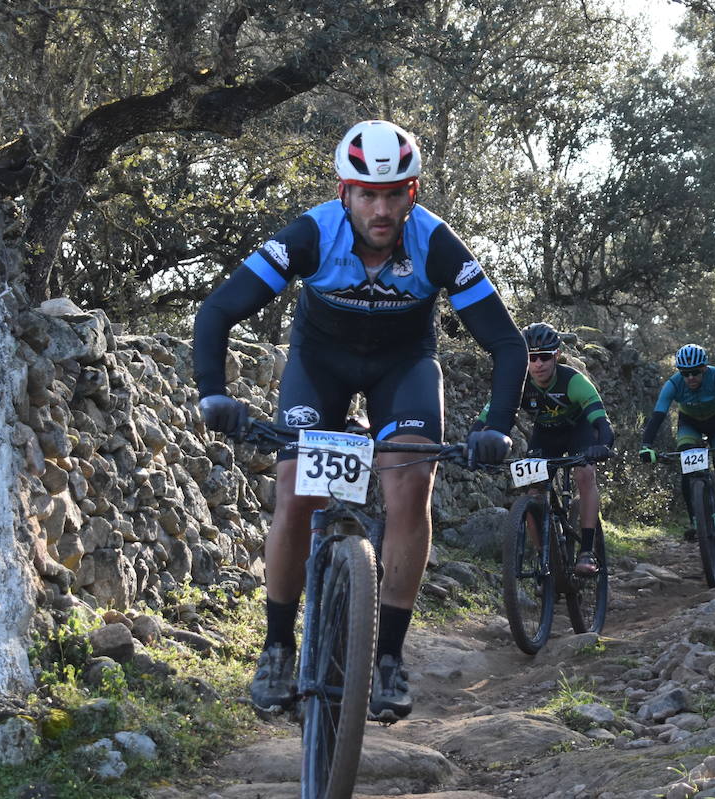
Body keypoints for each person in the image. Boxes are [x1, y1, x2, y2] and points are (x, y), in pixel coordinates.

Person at [192, 119, 525, 719]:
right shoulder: (311, 235)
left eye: (394, 193)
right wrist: (212, 392)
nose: (381, 207)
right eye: (367, 194)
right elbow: (217, 310)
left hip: (404, 370)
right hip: (320, 368)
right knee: (296, 493)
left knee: (409, 486)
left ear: (412, 193)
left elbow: (506, 343)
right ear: (344, 192)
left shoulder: (437, 243)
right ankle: (276, 647)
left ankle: (390, 659)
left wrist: (496, 425)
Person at [475, 321, 614, 575]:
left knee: (584, 474)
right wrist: (473, 443)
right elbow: (487, 419)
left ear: (557, 356)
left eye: (544, 357)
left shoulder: (574, 381)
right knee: (532, 492)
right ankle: (545, 560)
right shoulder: (518, 383)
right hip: (545, 435)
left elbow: (602, 423)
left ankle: (586, 551)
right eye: (532, 357)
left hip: (578, 431)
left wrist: (602, 446)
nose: (538, 363)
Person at [637, 344, 715, 543]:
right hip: (690, 425)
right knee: (688, 469)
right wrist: (646, 445)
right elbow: (658, 416)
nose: (690, 377)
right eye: (685, 373)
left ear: (704, 368)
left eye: (695, 372)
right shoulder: (673, 384)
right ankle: (694, 521)